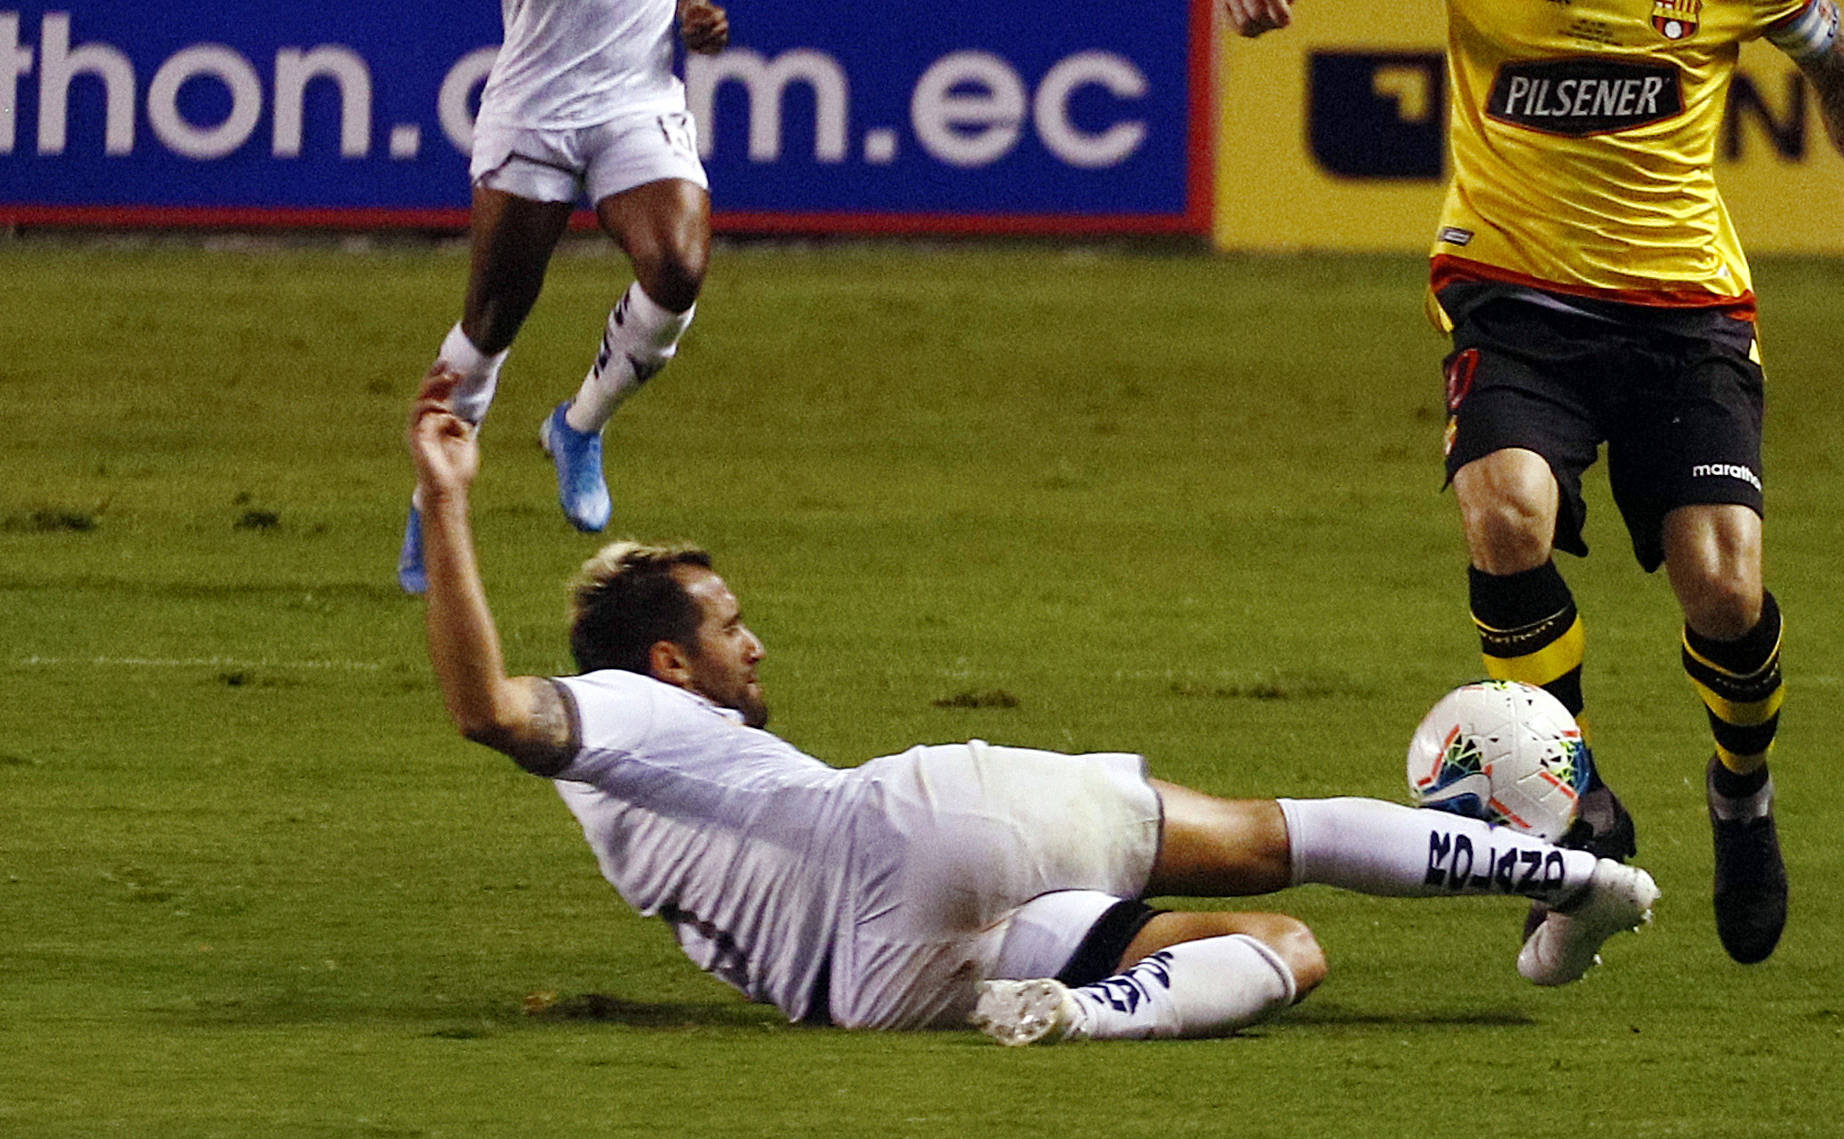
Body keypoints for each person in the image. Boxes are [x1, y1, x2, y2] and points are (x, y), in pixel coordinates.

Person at [1220, 0, 1844, 968]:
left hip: (1683, 308)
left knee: (1724, 588)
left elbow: (1839, 75)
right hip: (1513, 290)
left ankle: (1740, 790)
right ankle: (1574, 816)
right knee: (1504, 516)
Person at [405, 366, 1660, 1043]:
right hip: (907, 830)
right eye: (727, 624)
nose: (755, 639)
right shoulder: (624, 711)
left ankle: (1080, 1014)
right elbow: (487, 706)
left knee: (1286, 951)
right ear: (666, 663)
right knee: (1275, 835)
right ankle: (1567, 878)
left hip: (864, 989)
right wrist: (449, 504)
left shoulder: (632, 800)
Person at [397, 0, 728, 592]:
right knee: (491, 324)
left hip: (637, 100)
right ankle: (434, 499)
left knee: (676, 267)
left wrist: (692, 8)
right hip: (536, 108)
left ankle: (577, 426)